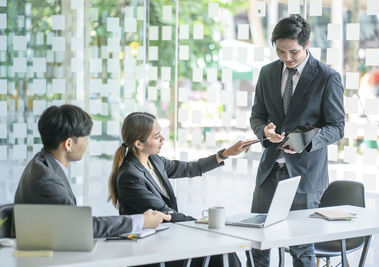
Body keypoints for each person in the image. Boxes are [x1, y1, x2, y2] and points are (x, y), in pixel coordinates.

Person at [249, 15, 345, 267]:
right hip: (269, 171)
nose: (287, 58)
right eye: (280, 51)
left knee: (301, 247)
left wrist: (303, 140)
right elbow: (257, 115)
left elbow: (337, 127)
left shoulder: (327, 77)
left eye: (293, 51)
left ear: (307, 44)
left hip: (305, 175)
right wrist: (264, 131)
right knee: (257, 242)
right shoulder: (268, 72)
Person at [107, 112, 253, 267]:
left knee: (222, 249)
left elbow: (191, 168)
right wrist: (200, 223)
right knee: (218, 250)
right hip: (151, 248)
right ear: (138, 143)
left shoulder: (155, 161)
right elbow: (165, 213)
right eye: (157, 137)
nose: (163, 139)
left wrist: (226, 153)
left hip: (168, 236)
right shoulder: (129, 176)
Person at [14, 105, 170, 238]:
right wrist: (141, 221)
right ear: (69, 144)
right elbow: (81, 228)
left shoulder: (41, 162)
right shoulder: (47, 180)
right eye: (86, 137)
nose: (88, 143)